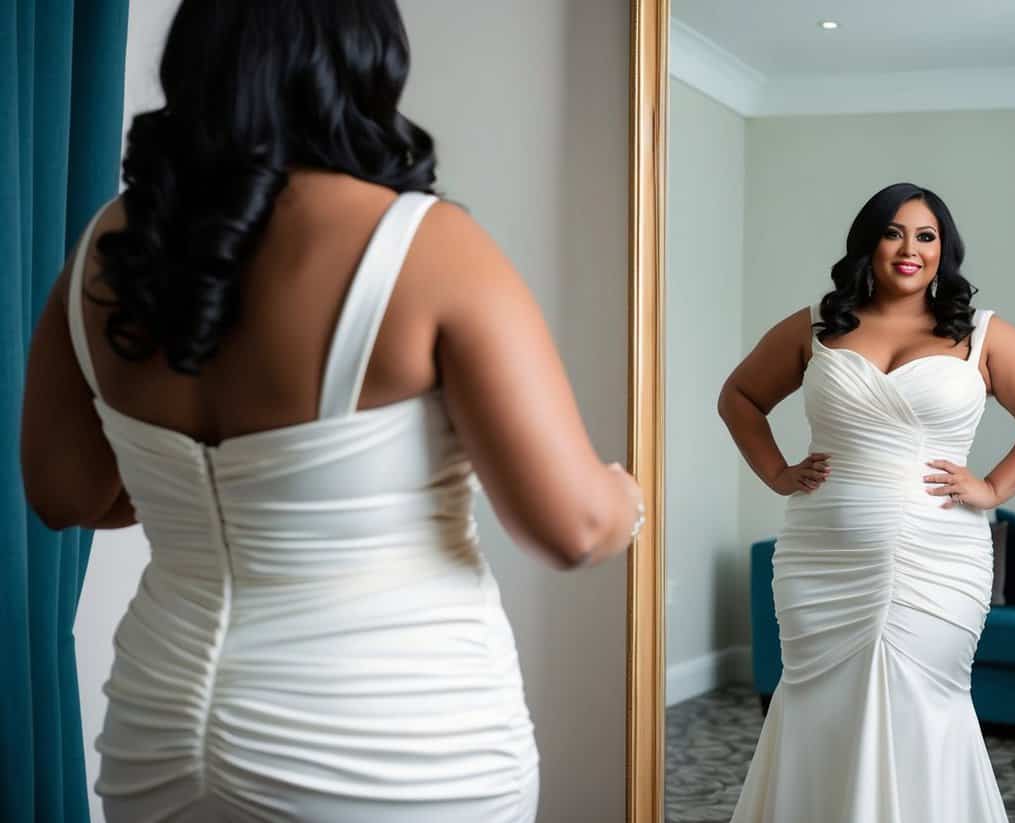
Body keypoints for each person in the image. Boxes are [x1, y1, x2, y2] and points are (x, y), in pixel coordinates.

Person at [20, 2, 643, 821]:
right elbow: (571, 529)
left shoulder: (106, 250)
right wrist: (625, 498)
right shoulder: (427, 246)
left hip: (162, 734)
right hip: (388, 743)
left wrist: (203, 490)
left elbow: (67, 494)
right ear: (365, 60)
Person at [718, 182, 1015, 822]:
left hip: (940, 557)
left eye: (925, 236)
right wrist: (777, 472)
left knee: (924, 698)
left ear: (943, 251)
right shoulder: (815, 325)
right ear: (868, 243)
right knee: (817, 701)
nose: (909, 249)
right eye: (894, 232)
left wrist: (995, 487)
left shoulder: (981, 333)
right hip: (822, 555)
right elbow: (739, 397)